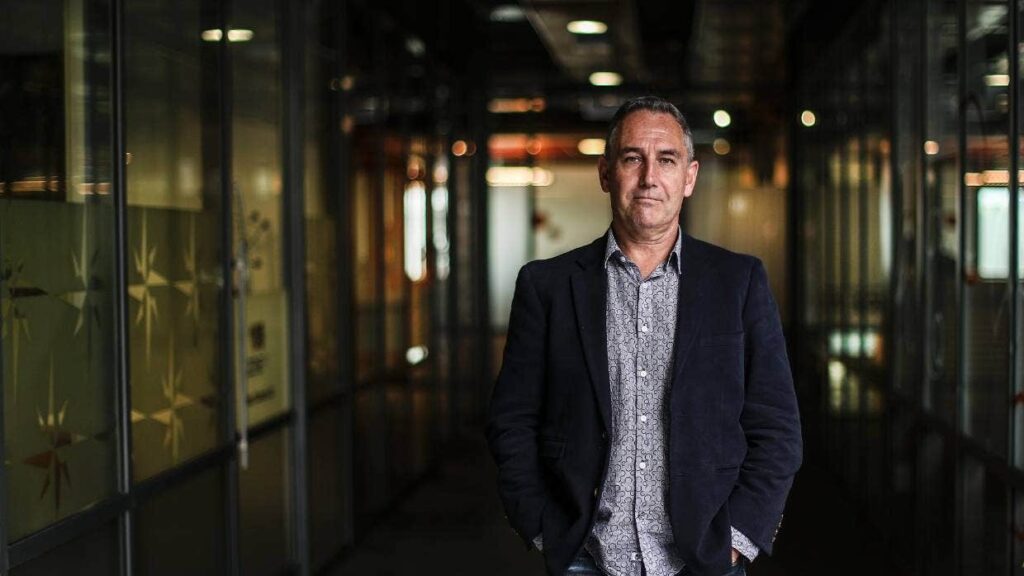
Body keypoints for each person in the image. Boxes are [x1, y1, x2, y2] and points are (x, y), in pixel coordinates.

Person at [486, 96, 802, 576]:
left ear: (689, 178)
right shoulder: (546, 286)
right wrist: (542, 526)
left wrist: (738, 538)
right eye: (633, 158)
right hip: (586, 558)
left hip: (705, 560)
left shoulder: (739, 283)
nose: (649, 177)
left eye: (667, 160)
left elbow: (777, 427)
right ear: (606, 173)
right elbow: (512, 419)